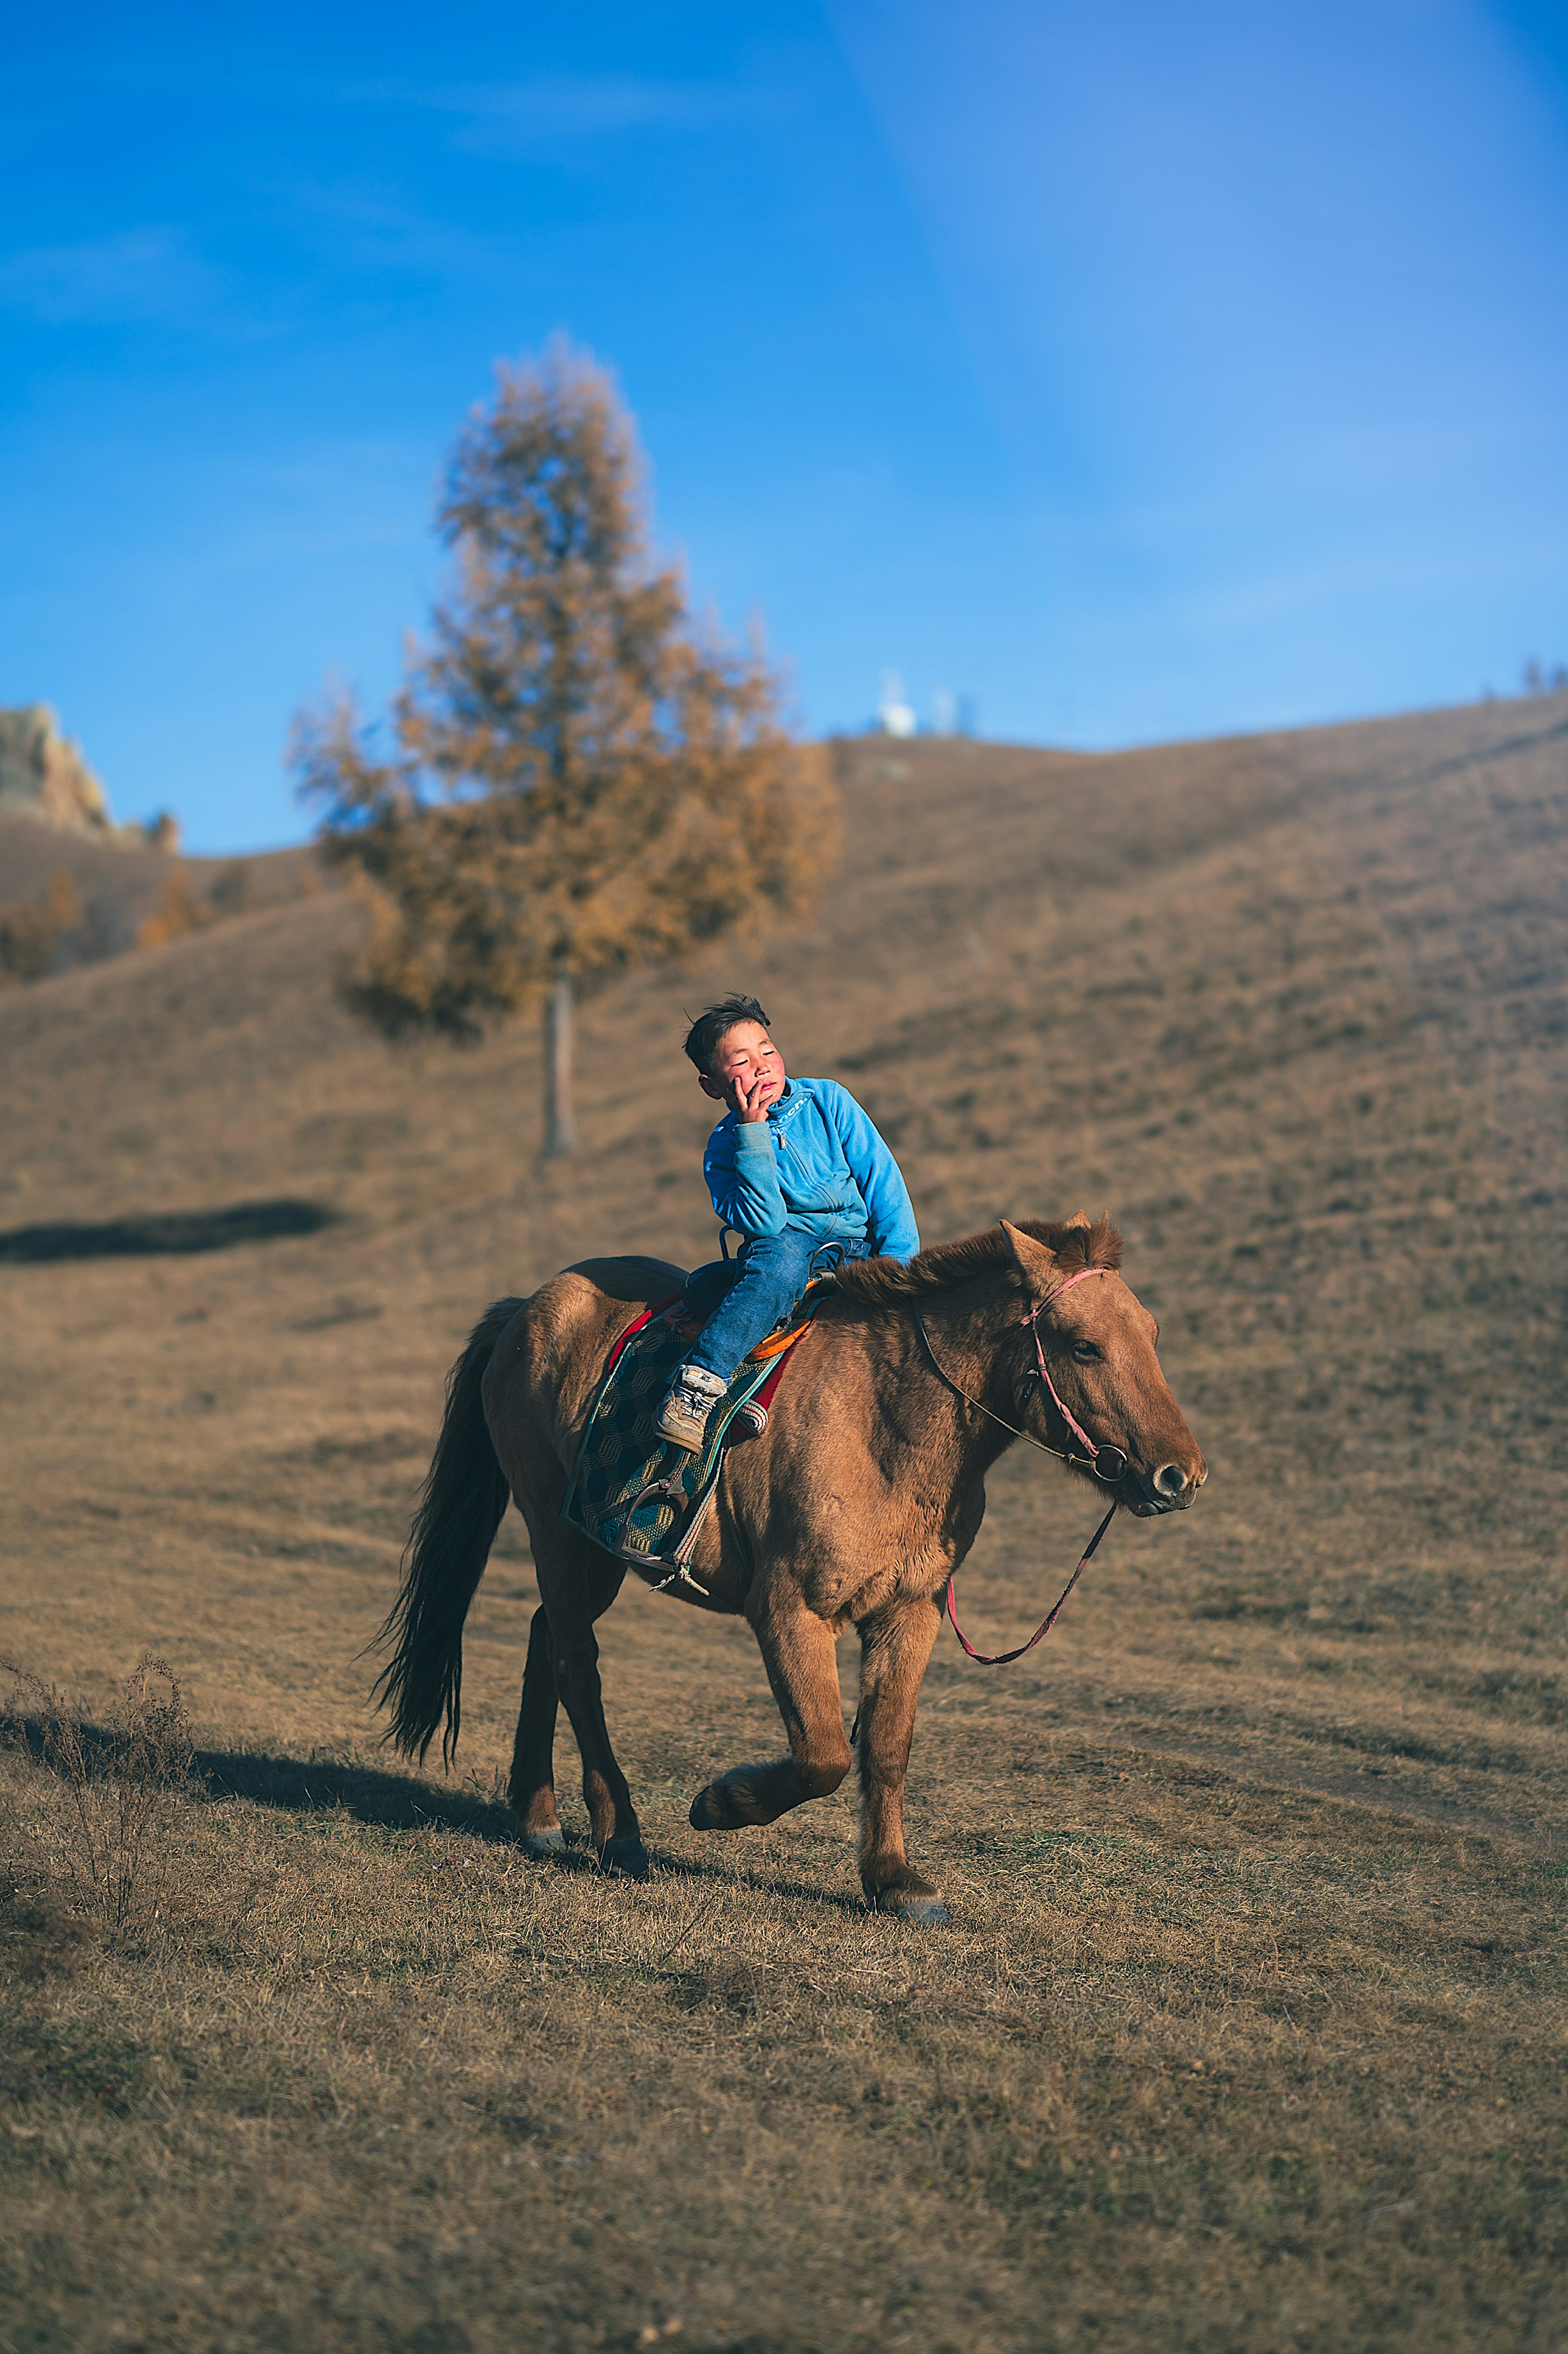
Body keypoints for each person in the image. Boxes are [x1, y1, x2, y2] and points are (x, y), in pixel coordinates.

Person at [657, 994, 921, 1452]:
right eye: (741, 1060)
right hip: (787, 1248)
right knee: (775, 1265)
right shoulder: (724, 1151)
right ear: (712, 1085)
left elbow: (883, 1179)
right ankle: (699, 1385)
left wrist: (898, 1260)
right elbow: (765, 1222)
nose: (762, 1066)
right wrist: (753, 1132)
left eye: (767, 1049)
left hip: (856, 1247)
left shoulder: (828, 1099)